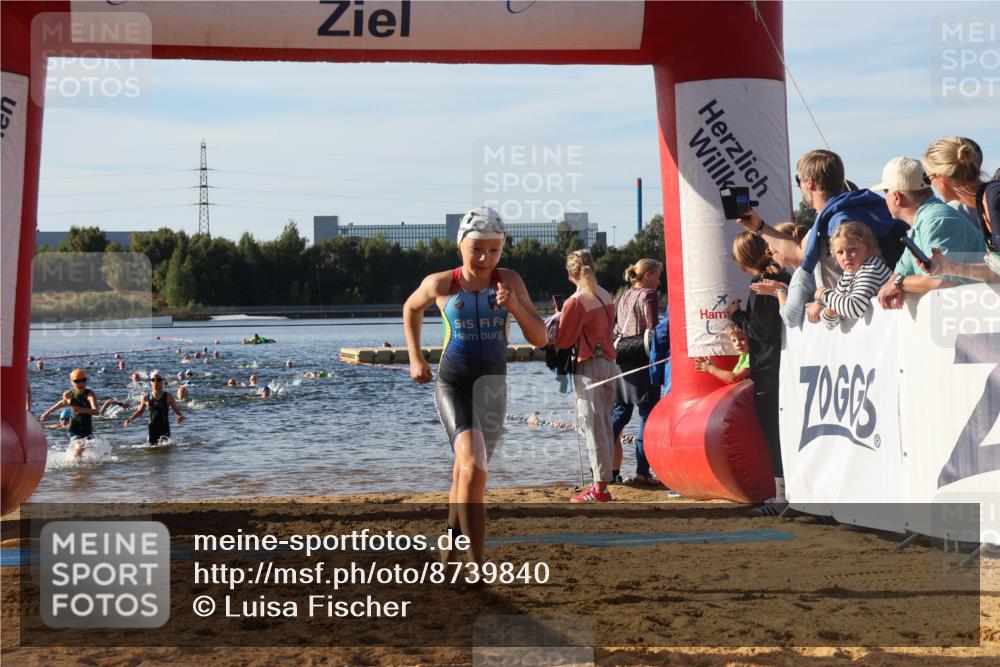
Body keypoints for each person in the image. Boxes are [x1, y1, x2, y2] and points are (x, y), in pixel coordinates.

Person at [403, 206, 546, 567]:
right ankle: (477, 562)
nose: (485, 258)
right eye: (477, 249)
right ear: (460, 246)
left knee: (467, 473)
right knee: (474, 467)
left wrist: (514, 307)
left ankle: (449, 552)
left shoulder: (509, 281)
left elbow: (541, 337)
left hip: (493, 388)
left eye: (494, 250)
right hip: (454, 383)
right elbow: (411, 308)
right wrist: (416, 357)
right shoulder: (442, 283)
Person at [738, 149, 904, 294]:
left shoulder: (839, 222)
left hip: (857, 312)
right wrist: (758, 226)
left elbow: (799, 255)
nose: (799, 187)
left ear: (810, 183)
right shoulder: (846, 211)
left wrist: (824, 300)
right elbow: (798, 252)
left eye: (799, 180)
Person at [728, 232, 790, 511]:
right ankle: (786, 492)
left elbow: (761, 331)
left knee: (773, 433)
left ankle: (782, 495)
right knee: (782, 431)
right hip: (783, 364)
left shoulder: (762, 283)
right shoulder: (781, 277)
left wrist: (737, 315)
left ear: (741, 259)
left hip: (768, 367)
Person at [875, 157, 988, 309]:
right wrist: (894, 286)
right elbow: (900, 273)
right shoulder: (923, 222)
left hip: (975, 316)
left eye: (885, 191)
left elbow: (942, 281)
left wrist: (898, 285)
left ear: (896, 197)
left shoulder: (935, 220)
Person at [554, 250, 618, 503]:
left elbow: (563, 341)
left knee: (593, 427)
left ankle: (600, 488)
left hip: (590, 367)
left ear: (570, 274)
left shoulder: (576, 301)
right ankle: (603, 482)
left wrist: (558, 319)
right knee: (605, 424)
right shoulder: (605, 295)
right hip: (609, 364)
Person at [611, 258, 662, 487]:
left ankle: (601, 466)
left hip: (621, 359)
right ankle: (642, 472)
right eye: (657, 276)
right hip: (642, 361)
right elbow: (654, 331)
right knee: (646, 416)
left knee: (620, 413)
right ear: (648, 275)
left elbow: (613, 328)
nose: (659, 282)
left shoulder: (623, 296)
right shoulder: (648, 295)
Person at [815, 222, 892, 329]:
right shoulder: (847, 275)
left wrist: (824, 294)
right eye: (840, 252)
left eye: (852, 250)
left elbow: (854, 308)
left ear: (869, 247)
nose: (846, 257)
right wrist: (832, 306)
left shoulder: (871, 268)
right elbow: (830, 323)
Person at [928, 181, 1000, 282]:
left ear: (942, 180)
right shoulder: (986, 199)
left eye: (929, 179)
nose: (932, 186)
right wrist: (949, 268)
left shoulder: (994, 197)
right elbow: (996, 272)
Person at [750, 223, 813, 328]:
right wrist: (784, 291)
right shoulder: (812, 266)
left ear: (782, 251)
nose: (771, 257)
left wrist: (779, 291)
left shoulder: (801, 275)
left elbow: (790, 319)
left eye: (770, 252)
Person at [922, 136, 985, 225]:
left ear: (942, 178)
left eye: (928, 178)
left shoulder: (992, 203)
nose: (932, 185)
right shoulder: (989, 201)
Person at [38, 368, 100, 458]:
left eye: (83, 380)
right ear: (72, 383)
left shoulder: (90, 394)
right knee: (79, 447)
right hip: (74, 429)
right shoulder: (70, 395)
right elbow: (61, 404)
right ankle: (75, 465)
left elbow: (96, 411)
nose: (81, 383)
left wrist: (82, 409)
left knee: (85, 452)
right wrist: (47, 413)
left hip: (87, 429)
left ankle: (78, 465)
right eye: (77, 381)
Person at [123, 372, 184, 445]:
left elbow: (177, 411)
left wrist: (179, 416)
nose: (155, 382)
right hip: (152, 428)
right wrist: (129, 419)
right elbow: (139, 411)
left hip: (164, 428)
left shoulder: (168, 396)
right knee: (151, 448)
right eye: (153, 380)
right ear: (151, 383)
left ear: (162, 382)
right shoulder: (146, 397)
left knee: (166, 449)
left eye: (158, 380)